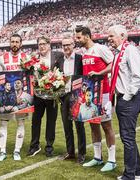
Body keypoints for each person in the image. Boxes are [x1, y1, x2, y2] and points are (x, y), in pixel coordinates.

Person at [75, 26, 117, 172]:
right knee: (93, 125)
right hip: (90, 94)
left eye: (79, 37)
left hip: (103, 93)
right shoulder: (84, 52)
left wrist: (99, 72)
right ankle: (97, 158)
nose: (77, 39)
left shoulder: (100, 48)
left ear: (87, 36)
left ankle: (112, 160)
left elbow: (113, 65)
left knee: (106, 125)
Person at [107, 25, 140, 180]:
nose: (108, 38)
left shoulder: (130, 50)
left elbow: (138, 76)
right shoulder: (118, 53)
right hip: (122, 98)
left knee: (127, 138)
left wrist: (126, 97)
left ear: (122, 35)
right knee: (128, 137)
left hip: (130, 98)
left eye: (111, 35)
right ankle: (138, 174)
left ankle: (129, 176)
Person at [27, 36, 64, 157]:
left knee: (51, 122)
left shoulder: (58, 56)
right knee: (35, 121)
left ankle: (49, 147)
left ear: (49, 45)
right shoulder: (34, 58)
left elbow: (62, 73)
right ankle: (34, 146)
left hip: (52, 95)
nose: (41, 46)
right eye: (39, 44)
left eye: (44, 44)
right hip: (38, 95)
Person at [0, 34, 28, 161]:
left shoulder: (26, 58)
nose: (14, 44)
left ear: (20, 44)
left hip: (21, 97)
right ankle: (2, 151)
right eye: (12, 41)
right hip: (7, 96)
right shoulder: (2, 58)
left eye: (17, 42)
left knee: (20, 123)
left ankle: (17, 151)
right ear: (10, 43)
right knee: (3, 123)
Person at [55, 35, 86, 164]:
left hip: (76, 96)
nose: (66, 47)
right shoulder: (59, 60)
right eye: (64, 45)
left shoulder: (80, 59)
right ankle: (71, 152)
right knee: (67, 126)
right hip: (64, 96)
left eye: (69, 44)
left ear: (73, 45)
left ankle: (82, 154)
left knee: (79, 125)